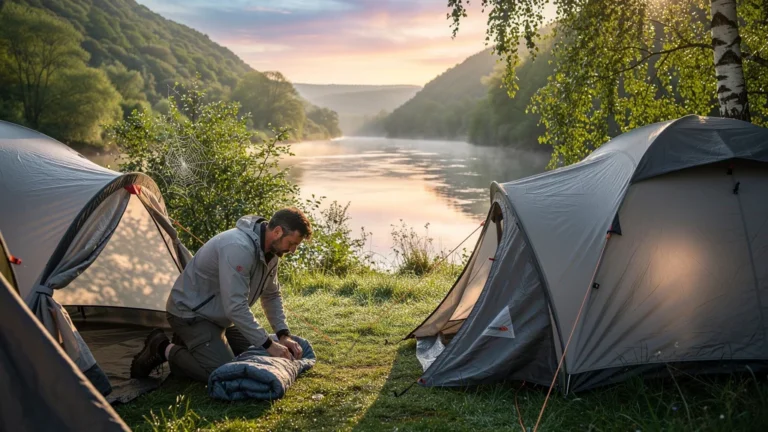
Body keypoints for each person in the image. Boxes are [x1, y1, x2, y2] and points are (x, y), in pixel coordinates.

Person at [129, 207, 312, 382]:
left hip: (220, 316)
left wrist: (283, 335)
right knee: (223, 371)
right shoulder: (238, 247)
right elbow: (236, 306)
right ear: (278, 231)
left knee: (254, 353)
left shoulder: (271, 252)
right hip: (190, 313)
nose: (293, 250)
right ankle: (161, 347)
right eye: (292, 243)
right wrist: (269, 344)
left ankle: (191, 345)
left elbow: (271, 295)